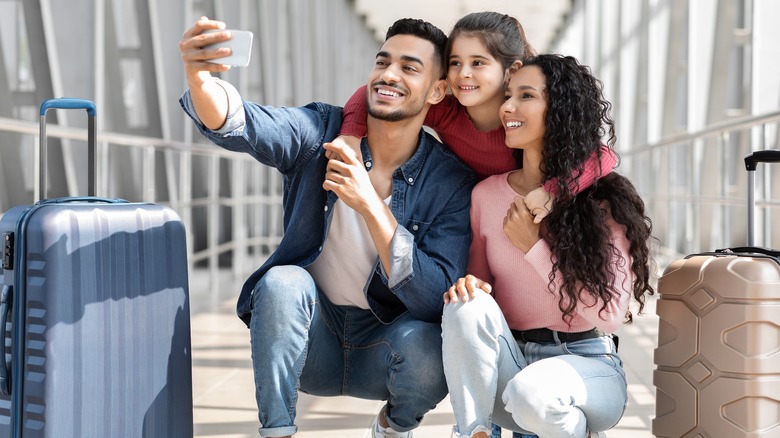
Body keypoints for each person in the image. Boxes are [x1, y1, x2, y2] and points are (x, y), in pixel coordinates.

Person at [178, 16, 476, 438]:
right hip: (311, 338)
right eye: (382, 62)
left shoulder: (450, 181)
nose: (388, 75)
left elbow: (433, 299)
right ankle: (277, 430)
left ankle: (394, 426)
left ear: (438, 90)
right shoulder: (322, 132)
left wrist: (370, 206)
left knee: (430, 346)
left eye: (409, 67)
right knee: (281, 283)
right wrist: (200, 81)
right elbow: (247, 124)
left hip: (386, 344)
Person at [440, 54, 655, 438]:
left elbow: (608, 316)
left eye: (526, 96)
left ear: (560, 111)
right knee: (464, 306)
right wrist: (466, 287)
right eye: (507, 96)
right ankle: (472, 431)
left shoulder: (601, 202)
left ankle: (572, 426)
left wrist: (534, 247)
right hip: (513, 363)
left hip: (587, 364)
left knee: (533, 396)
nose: (507, 107)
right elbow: (480, 289)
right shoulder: (486, 196)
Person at [335, 11, 618, 223]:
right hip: (469, 213)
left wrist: (553, 191)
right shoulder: (444, 110)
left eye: (478, 63)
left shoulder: (523, 122)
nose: (463, 73)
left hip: (529, 214)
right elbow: (369, 92)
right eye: (455, 63)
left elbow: (604, 155)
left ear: (512, 69)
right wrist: (350, 137)